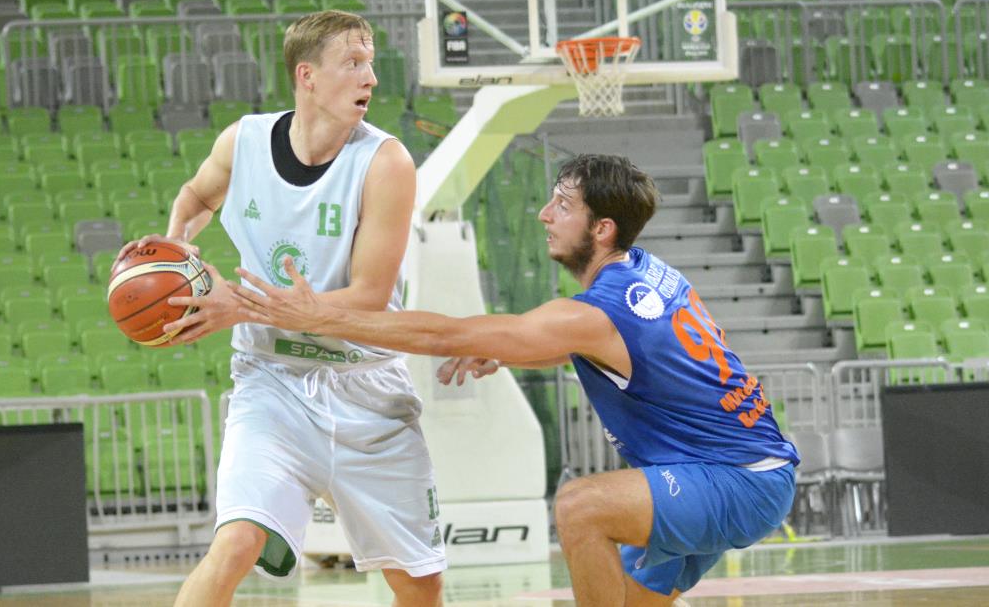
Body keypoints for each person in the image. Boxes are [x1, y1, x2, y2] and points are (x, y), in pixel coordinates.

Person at [202, 154, 801, 606]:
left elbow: (447, 335)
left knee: (581, 508)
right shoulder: (649, 273)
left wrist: (318, 316)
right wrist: (514, 353)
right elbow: (625, 354)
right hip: (731, 469)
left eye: (563, 204)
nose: (545, 214)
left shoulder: (595, 314)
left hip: (733, 480)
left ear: (602, 229)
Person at [113, 10, 444, 607]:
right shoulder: (242, 142)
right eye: (353, 63)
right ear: (307, 76)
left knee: (419, 586)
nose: (370, 78)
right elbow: (197, 195)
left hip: (366, 389)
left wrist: (241, 305)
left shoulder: (386, 162)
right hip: (272, 382)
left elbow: (368, 297)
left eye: (371, 63)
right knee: (235, 542)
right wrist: (177, 246)